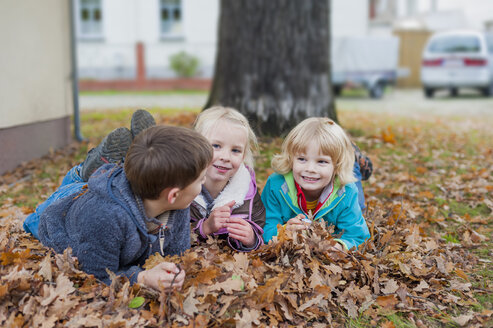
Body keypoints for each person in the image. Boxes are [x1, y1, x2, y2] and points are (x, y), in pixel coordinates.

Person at [27, 111, 214, 291]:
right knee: (43, 214)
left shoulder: (179, 205)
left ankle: (142, 156)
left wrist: (172, 271)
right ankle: (82, 172)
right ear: (173, 194)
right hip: (63, 216)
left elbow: (176, 252)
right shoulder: (105, 219)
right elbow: (97, 274)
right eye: (201, 179)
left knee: (88, 191)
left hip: (113, 192)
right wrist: (141, 278)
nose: (205, 182)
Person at [261, 117, 370, 250]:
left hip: (338, 184)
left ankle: (355, 162)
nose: (310, 169)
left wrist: (340, 246)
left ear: (336, 166)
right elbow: (263, 228)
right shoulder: (276, 186)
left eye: (321, 161)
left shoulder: (347, 191)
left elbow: (357, 235)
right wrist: (283, 232)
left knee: (358, 197)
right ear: (291, 158)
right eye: (302, 159)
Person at [190, 106, 265, 252]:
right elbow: (169, 236)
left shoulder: (246, 191)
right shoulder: (181, 187)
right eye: (216, 146)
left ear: (243, 157)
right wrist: (205, 228)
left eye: (235, 150)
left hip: (232, 269)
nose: (225, 157)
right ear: (197, 146)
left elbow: (260, 226)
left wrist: (251, 239)